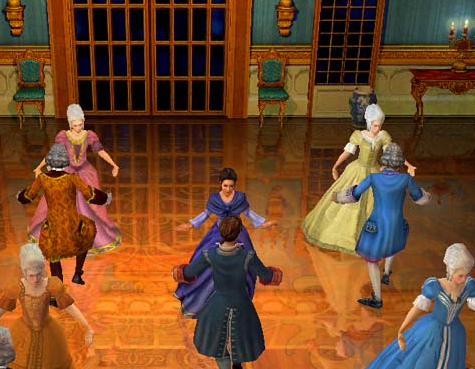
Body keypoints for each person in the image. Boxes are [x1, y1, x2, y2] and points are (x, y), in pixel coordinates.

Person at [173, 216, 282, 369]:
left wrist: (178, 272)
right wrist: (275, 274)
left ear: (220, 232)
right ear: (239, 233)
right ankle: (237, 362)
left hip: (218, 304)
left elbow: (188, 273)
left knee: (219, 348)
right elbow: (266, 275)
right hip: (242, 303)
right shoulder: (248, 255)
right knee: (240, 333)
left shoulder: (209, 254)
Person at [302, 104, 416, 255]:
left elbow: (394, 155)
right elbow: (347, 153)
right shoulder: (359, 136)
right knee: (349, 199)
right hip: (357, 171)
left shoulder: (383, 136)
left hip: (375, 171)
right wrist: (335, 166)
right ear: (369, 123)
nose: (378, 128)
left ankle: (371, 239)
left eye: (380, 125)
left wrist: (409, 165)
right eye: (375, 125)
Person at [332, 142, 430, 308]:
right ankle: (386, 274)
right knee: (392, 243)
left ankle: (377, 298)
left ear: (383, 160)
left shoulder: (374, 178)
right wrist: (428, 195)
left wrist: (336, 197)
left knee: (372, 260)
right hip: (397, 222)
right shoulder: (406, 179)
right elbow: (420, 199)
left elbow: (353, 195)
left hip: (377, 224)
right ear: (400, 162)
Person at [174, 167, 277, 320]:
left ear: (235, 185)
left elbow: (249, 213)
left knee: (247, 262)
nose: (228, 189)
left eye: (231, 186)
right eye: (225, 186)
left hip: (237, 231)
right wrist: (191, 224)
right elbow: (205, 214)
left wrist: (263, 223)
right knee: (206, 261)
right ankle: (205, 299)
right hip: (218, 231)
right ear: (220, 183)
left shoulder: (240, 197)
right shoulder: (214, 198)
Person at [32, 103, 122, 255]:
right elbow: (54, 154)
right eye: (75, 125)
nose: (78, 128)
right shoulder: (63, 136)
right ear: (69, 123)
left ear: (84, 121)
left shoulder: (89, 135)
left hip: (86, 173)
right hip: (67, 172)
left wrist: (114, 164)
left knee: (89, 205)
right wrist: (39, 167)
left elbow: (100, 151)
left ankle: (90, 237)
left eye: (80, 124)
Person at [20, 143, 113, 285]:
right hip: (73, 225)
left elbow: (28, 196)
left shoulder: (42, 179)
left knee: (53, 255)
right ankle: (77, 273)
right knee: (86, 232)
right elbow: (90, 194)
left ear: (50, 161)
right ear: (65, 161)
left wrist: (19, 196)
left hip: (52, 227)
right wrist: (105, 198)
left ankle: (57, 287)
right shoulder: (72, 178)